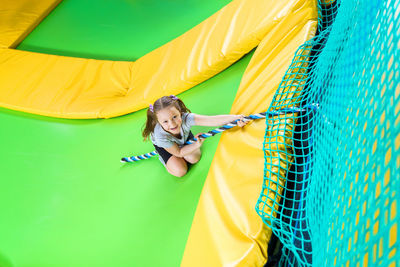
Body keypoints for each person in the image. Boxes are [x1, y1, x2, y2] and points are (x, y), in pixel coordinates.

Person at [142, 95, 248, 177]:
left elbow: (212, 120)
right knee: (180, 171)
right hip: (167, 147)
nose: (172, 124)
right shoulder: (160, 136)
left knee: (194, 158)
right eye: (165, 121)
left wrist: (235, 118)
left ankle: (184, 150)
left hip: (183, 139)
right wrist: (196, 145)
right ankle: (165, 160)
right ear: (159, 122)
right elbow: (178, 152)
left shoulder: (186, 118)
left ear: (180, 112)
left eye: (175, 117)